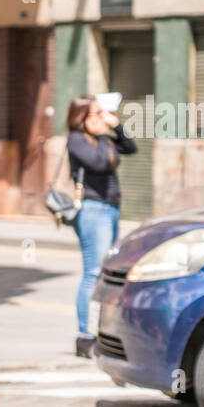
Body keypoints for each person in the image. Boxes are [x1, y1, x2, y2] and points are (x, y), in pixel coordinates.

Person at [66, 94, 137, 358]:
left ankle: (99, 332)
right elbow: (99, 162)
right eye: (94, 114)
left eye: (100, 113)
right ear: (81, 118)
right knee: (92, 273)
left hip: (111, 208)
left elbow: (130, 148)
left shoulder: (103, 138)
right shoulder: (76, 140)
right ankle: (85, 336)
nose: (99, 119)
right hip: (93, 210)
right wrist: (102, 134)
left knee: (103, 272)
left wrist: (115, 126)